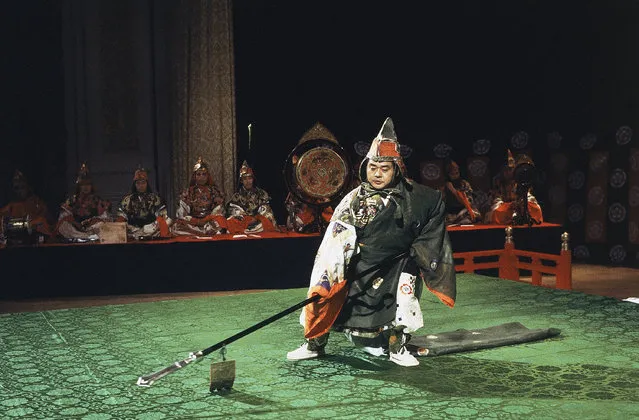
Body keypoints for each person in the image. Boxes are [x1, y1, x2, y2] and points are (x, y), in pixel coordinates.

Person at [286, 117, 456, 367]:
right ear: (364, 167)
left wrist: (415, 255)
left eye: (384, 168)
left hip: (398, 264)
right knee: (325, 292)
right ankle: (315, 344)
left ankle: (397, 347)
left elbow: (431, 227)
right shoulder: (353, 199)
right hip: (359, 263)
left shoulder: (420, 199)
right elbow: (336, 236)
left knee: (405, 296)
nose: (377, 173)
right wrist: (332, 269)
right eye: (373, 167)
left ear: (397, 169)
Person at [172, 157, 228, 237]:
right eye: (198, 174)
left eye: (204, 174)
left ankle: (201, 232)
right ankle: (203, 233)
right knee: (176, 227)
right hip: (193, 222)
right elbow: (183, 212)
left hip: (209, 221)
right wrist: (194, 221)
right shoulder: (188, 192)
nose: (201, 177)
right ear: (194, 176)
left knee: (221, 221)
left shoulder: (214, 191)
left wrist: (207, 219)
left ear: (208, 176)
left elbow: (218, 210)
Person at [484, 150, 543, 225]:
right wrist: (510, 205)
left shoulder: (521, 181)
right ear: (502, 170)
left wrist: (523, 203)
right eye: (507, 169)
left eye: (512, 169)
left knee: (535, 209)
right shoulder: (498, 183)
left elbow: (529, 197)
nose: (510, 172)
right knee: (496, 213)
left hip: (520, 209)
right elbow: (495, 204)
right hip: (505, 210)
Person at [56, 163, 112, 241]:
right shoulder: (72, 200)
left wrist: (94, 221)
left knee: (101, 225)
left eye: (88, 184)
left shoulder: (97, 200)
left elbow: (105, 217)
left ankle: (86, 237)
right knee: (64, 226)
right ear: (79, 186)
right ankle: (83, 237)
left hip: (91, 228)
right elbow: (64, 217)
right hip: (76, 228)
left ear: (91, 186)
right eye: (83, 185)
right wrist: (75, 223)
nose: (86, 187)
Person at [115, 167, 171, 239]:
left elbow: (161, 216)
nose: (141, 186)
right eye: (138, 183)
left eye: (143, 183)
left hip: (151, 230)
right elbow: (121, 217)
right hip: (133, 230)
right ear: (135, 185)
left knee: (167, 221)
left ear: (147, 183)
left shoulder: (155, 199)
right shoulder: (127, 200)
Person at [0, 170, 53, 245]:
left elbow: (48, 229)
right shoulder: (10, 207)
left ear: (28, 186)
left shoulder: (38, 204)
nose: (19, 191)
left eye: (22, 187)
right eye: (16, 188)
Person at [226, 160, 280, 234]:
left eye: (250, 178)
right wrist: (245, 218)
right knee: (230, 221)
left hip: (258, 220)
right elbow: (233, 211)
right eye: (245, 179)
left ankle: (250, 230)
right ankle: (250, 230)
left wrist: (256, 218)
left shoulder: (261, 193)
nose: (248, 181)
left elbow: (265, 208)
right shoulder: (236, 196)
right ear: (241, 181)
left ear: (253, 179)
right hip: (244, 221)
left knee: (268, 216)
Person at [443, 160, 481, 225]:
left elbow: (468, 202)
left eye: (457, 173)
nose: (455, 176)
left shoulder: (464, 184)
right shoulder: (444, 186)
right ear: (448, 175)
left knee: (475, 214)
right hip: (450, 213)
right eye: (452, 174)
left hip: (463, 210)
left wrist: (454, 191)